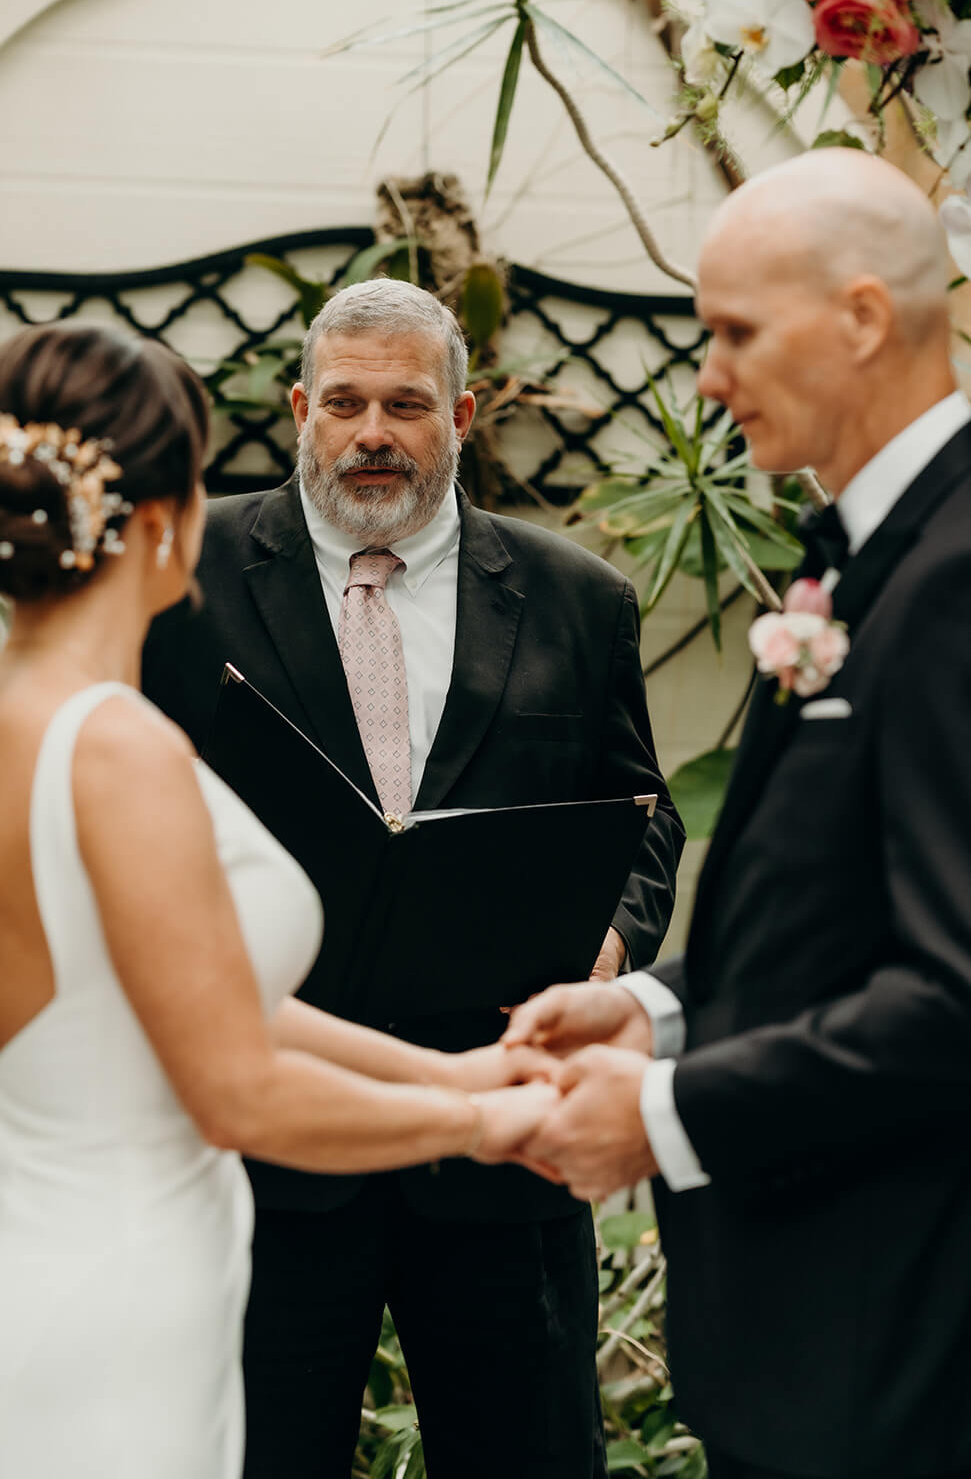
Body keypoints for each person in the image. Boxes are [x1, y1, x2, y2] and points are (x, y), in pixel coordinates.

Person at [0, 320, 559, 1479]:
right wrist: (486, 1122)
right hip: (104, 1314)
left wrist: (454, 1071)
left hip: (11, 1269)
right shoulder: (118, 746)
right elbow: (236, 1089)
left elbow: (183, 996)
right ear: (160, 516)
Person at [142, 277, 685, 1479]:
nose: (372, 433)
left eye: (405, 403)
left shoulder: (576, 598)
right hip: (267, 1144)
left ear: (462, 413)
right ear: (298, 407)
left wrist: (605, 951)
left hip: (501, 1150)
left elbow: (640, 817)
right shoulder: (183, 580)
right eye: (343, 403)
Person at [504, 149, 971, 1479]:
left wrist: (660, 1114)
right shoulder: (866, 557)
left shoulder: (948, 578)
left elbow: (949, 994)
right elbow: (850, 919)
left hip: (897, 1347)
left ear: (863, 318)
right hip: (812, 1343)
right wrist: (651, 1006)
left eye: (731, 333)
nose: (704, 378)